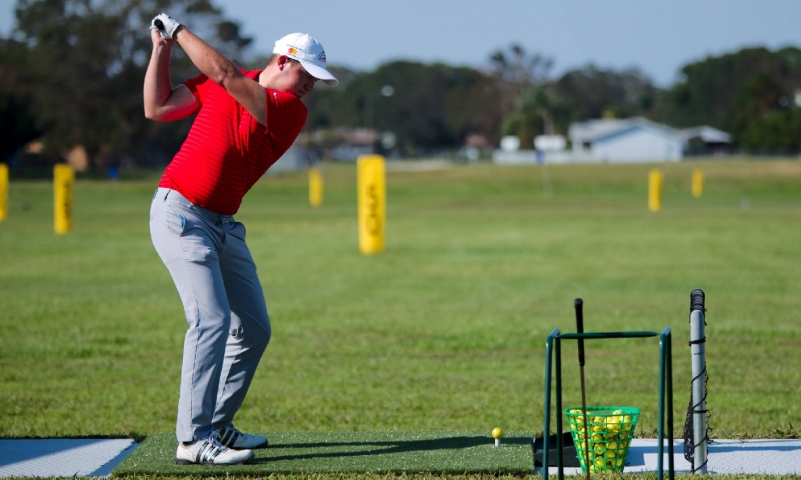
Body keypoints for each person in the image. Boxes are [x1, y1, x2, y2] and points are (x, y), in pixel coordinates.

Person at [144, 13, 338, 466]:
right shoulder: (221, 80)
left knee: (253, 328)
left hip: (224, 226)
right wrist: (162, 49)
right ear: (284, 60)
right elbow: (157, 109)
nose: (311, 85)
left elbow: (225, 73)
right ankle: (193, 441)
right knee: (210, 322)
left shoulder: (290, 110)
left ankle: (215, 425)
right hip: (180, 213)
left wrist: (177, 30)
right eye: (307, 74)